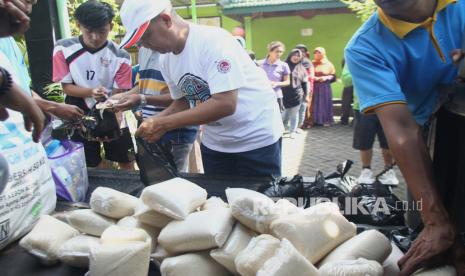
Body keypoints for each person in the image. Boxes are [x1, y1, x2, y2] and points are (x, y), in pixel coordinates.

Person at [345, 0, 465, 274]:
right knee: (426, 226)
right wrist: (435, 220)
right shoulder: (366, 47)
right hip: (425, 145)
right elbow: (401, 129)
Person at [119, 0, 284, 177]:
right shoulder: (165, 59)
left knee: (259, 202)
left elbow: (226, 103)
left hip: (255, 139)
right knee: (219, 201)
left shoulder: (213, 41)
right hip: (216, 142)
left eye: (146, 36)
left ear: (166, 20)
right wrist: (156, 119)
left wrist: (164, 124)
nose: (143, 45)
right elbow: (183, 100)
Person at [52, 0, 135, 170]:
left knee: (126, 159)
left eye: (102, 31)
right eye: (89, 31)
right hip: (77, 108)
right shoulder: (63, 48)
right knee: (89, 163)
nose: (95, 37)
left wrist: (109, 108)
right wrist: (91, 91)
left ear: (111, 26)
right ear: (78, 25)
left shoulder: (122, 56)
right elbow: (66, 87)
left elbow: (120, 91)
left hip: (112, 108)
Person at [111, 47, 198, 173]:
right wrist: (122, 98)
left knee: (174, 180)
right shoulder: (143, 50)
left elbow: (183, 99)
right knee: (154, 176)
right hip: (149, 124)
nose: (139, 43)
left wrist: (142, 100)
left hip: (175, 130)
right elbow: (142, 85)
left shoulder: (176, 52)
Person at [343, 65, 398, 184]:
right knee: (364, 142)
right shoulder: (354, 52)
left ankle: (389, 170)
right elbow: (346, 79)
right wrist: (369, 73)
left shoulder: (387, 52)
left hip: (387, 104)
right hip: (364, 106)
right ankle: (366, 170)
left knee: (388, 142)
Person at [282, 49, 309, 139]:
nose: (296, 57)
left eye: (298, 56)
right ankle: (282, 129)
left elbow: (305, 83)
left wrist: (306, 95)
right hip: (283, 95)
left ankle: (292, 131)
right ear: (290, 55)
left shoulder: (302, 68)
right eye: (294, 55)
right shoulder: (283, 65)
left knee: (294, 114)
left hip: (296, 95)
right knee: (283, 115)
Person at [259, 41, 290, 112]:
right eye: (277, 51)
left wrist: (276, 83)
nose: (279, 54)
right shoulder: (259, 63)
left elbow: (287, 81)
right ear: (270, 51)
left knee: (277, 118)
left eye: (281, 52)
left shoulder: (284, 65)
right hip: (261, 95)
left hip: (276, 96)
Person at [312, 47, 336, 127]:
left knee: (324, 102)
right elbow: (308, 74)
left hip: (324, 87)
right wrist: (314, 78)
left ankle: (326, 120)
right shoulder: (312, 63)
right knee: (314, 103)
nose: (317, 54)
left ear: (323, 54)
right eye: (315, 53)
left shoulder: (329, 64)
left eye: (319, 52)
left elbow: (333, 76)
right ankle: (315, 120)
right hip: (314, 86)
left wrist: (325, 78)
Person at [295, 43, 315, 129]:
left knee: (306, 105)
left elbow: (311, 75)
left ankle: (307, 122)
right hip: (295, 87)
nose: (301, 53)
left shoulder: (307, 62)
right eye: (298, 51)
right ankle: (298, 124)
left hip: (307, 86)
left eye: (303, 51)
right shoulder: (293, 60)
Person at [340, 58, 354, 125]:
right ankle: (353, 119)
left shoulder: (346, 58)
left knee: (346, 102)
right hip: (356, 83)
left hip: (348, 83)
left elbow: (343, 69)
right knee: (347, 103)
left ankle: (344, 119)